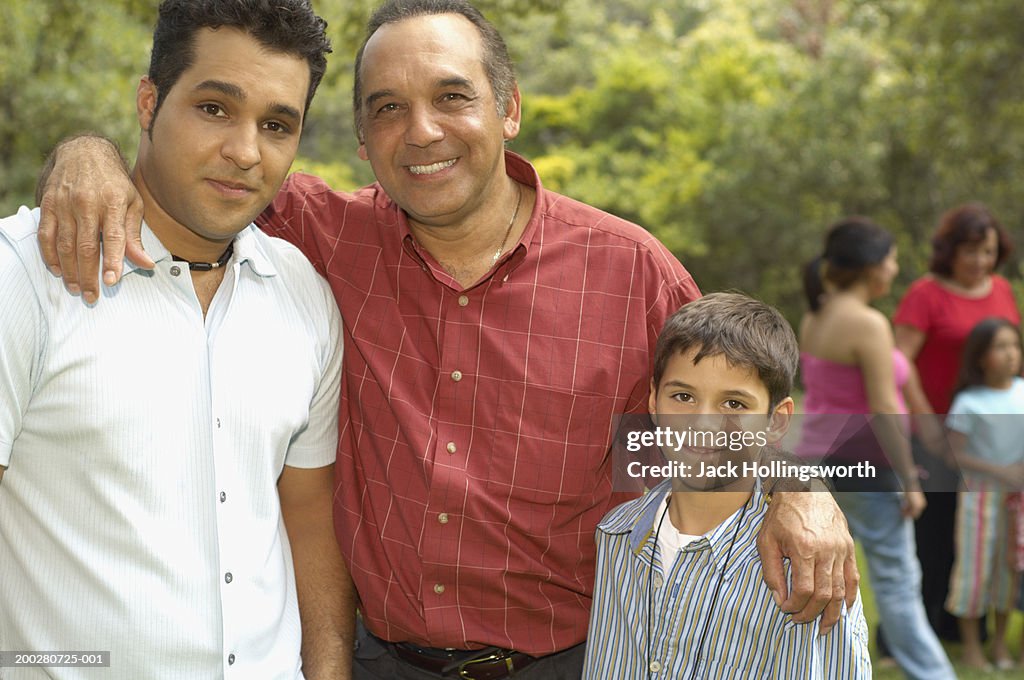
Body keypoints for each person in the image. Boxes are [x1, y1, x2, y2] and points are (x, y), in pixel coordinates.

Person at [32, 1, 859, 677]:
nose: (421, 131)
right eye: (388, 109)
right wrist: (86, 152)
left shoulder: (629, 271)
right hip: (378, 659)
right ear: (363, 143)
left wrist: (802, 490)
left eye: (452, 96)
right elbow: (191, 173)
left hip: (573, 662)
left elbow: (723, 412)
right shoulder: (321, 240)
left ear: (509, 107)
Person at [0, 2, 351, 678]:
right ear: (149, 101)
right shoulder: (27, 275)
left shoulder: (304, 291)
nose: (245, 152)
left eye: (276, 125)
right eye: (215, 108)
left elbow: (309, 521)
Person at [584, 293, 872, 679]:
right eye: (683, 396)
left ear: (776, 420)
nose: (703, 424)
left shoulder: (806, 566)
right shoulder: (615, 535)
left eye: (734, 404)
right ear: (653, 399)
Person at [797, 218, 955, 679]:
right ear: (871, 267)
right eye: (891, 258)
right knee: (898, 585)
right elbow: (886, 407)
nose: (896, 266)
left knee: (829, 579)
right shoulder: (868, 324)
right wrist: (910, 481)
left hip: (819, 465)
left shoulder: (815, 315)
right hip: (867, 470)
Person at [893, 203, 1019, 640]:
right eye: (970, 251)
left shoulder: (1001, 289)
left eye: (987, 251)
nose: (979, 261)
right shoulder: (926, 294)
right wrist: (927, 425)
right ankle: (911, 632)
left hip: (988, 441)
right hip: (933, 433)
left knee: (979, 536)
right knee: (933, 535)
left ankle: (963, 628)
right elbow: (899, 362)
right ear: (950, 251)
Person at [944, 318, 1024, 670]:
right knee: (974, 570)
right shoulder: (968, 402)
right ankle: (973, 647)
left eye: (1014, 346)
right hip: (979, 497)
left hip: (1018, 500)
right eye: (1000, 347)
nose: (1010, 355)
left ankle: (1001, 647)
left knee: (1010, 570)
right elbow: (954, 453)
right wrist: (1000, 471)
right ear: (980, 357)